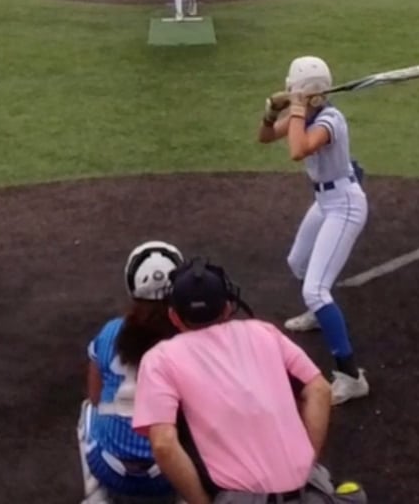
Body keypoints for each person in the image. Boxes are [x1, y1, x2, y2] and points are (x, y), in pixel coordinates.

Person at [133, 259, 364, 504]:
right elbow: (319, 389)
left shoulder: (159, 359)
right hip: (308, 492)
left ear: (173, 316)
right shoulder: (263, 332)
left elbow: (164, 444)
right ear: (227, 308)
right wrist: (305, 463)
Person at [258, 57, 370, 405]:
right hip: (324, 203)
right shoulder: (306, 114)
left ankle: (351, 377)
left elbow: (298, 150)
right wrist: (270, 113)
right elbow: (265, 137)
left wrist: (294, 108)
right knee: (298, 263)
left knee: (316, 290)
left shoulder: (330, 120)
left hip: (345, 205)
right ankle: (319, 312)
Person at [80, 241, 185, 503]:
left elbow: (95, 397)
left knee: (88, 411)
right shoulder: (187, 337)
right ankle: (188, 495)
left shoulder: (110, 331)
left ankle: (96, 494)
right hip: (170, 472)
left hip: (109, 469)